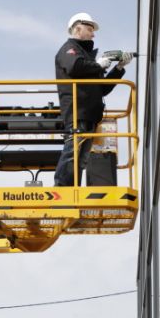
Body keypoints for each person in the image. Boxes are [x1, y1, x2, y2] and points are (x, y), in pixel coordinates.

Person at [53, 12, 132, 187]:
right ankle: (62, 190)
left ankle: (72, 191)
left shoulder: (85, 57)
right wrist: (98, 64)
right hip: (77, 111)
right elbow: (74, 66)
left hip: (89, 114)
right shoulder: (69, 49)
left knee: (81, 159)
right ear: (77, 28)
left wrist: (118, 69)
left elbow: (101, 89)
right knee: (72, 152)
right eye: (89, 29)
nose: (93, 34)